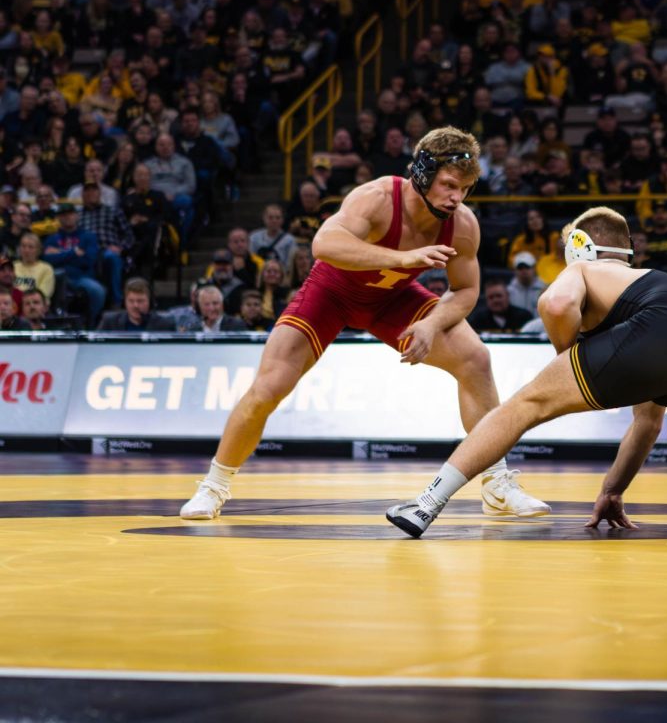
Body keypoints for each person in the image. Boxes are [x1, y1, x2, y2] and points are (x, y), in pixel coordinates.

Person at [386, 206, 667, 543]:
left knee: (523, 406)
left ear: (579, 247)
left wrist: (569, 354)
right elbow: (646, 421)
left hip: (659, 332)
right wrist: (612, 490)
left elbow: (555, 304)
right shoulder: (654, 282)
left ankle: (427, 503)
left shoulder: (585, 268)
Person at [180, 127, 548, 521]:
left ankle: (496, 484)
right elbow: (324, 244)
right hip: (332, 292)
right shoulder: (376, 198)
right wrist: (402, 259)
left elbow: (465, 290)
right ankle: (213, 486)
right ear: (422, 173)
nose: (457, 197)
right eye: (449, 185)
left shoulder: (462, 225)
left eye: (466, 189)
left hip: (392, 299)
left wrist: (431, 324)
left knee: (475, 359)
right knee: (268, 388)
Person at [97, 277, 174, 331]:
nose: (135, 305)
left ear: (150, 302)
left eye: (140, 301)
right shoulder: (110, 321)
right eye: (131, 301)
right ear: (125, 302)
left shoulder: (165, 325)